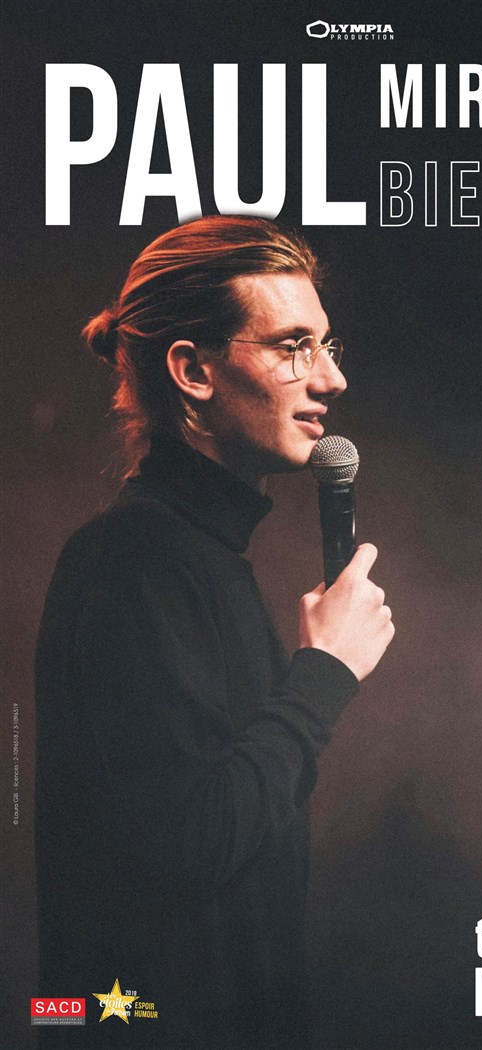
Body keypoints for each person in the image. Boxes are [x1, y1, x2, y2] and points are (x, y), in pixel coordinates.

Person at [34, 216, 394, 1049]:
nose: (332, 377)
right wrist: (323, 674)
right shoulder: (129, 560)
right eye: (294, 347)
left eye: (328, 345)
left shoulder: (202, 559)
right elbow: (185, 846)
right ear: (194, 371)